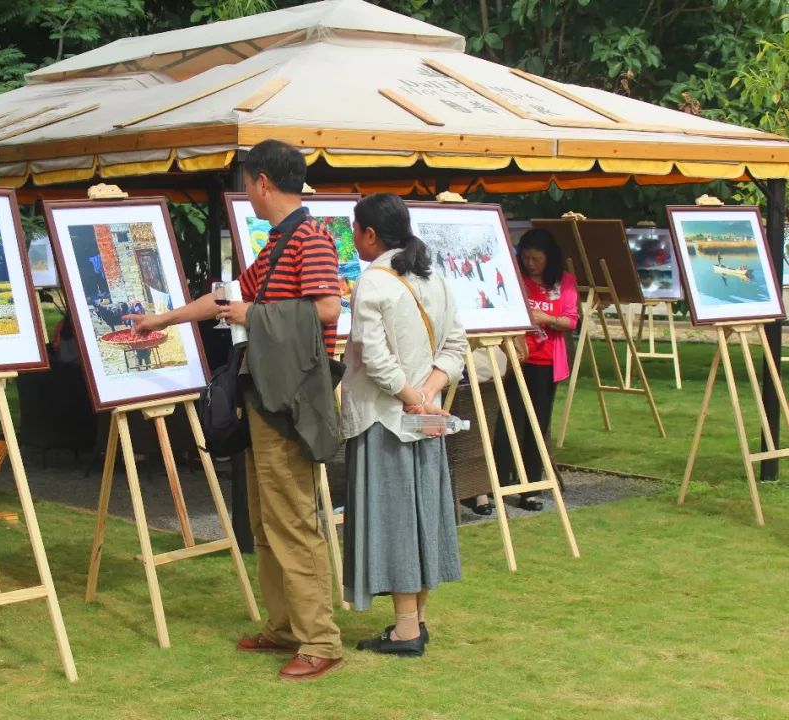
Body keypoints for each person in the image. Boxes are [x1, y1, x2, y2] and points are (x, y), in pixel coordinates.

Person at [126, 139, 344, 681]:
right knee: (268, 522)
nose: (245, 190)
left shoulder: (310, 238)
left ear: (263, 181)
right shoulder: (278, 243)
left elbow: (326, 307)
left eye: (247, 181)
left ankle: (320, 640)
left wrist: (254, 311)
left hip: (290, 399)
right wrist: (163, 320)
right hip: (266, 395)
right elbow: (227, 298)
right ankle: (286, 627)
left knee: (292, 520)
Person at [341, 193, 466, 657]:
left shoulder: (373, 283)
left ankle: (407, 628)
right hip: (424, 417)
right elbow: (455, 345)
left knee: (395, 520)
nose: (353, 238)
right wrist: (428, 394)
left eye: (355, 229)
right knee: (420, 518)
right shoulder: (435, 278)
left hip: (385, 417)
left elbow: (375, 359)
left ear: (371, 234)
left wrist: (413, 397)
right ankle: (415, 622)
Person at [492, 228, 578, 511]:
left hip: (547, 362)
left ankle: (531, 487)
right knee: (508, 420)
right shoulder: (517, 281)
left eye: (536, 259)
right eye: (526, 258)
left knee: (537, 425)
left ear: (548, 258)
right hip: (517, 359)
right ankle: (501, 483)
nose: (530, 264)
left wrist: (546, 318)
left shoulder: (564, 283)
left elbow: (570, 321)